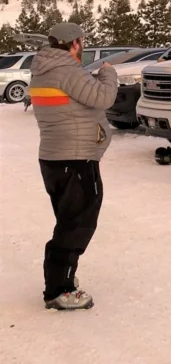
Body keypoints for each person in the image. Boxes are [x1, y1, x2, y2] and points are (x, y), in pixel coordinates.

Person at [28, 22, 118, 310]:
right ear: (74, 43)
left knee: (68, 220)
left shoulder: (44, 69)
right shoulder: (66, 70)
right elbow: (104, 96)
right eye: (82, 41)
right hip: (75, 159)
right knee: (78, 223)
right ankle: (59, 289)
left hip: (56, 160)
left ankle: (61, 277)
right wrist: (108, 72)